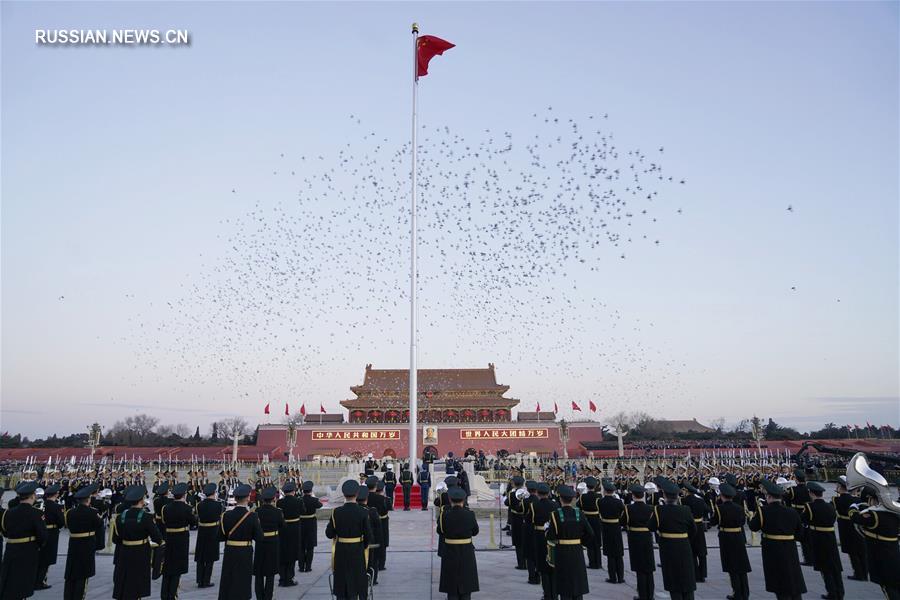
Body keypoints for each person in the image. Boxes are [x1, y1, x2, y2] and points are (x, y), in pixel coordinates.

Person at [748, 479, 806, 600]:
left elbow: (753, 526)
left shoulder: (764, 511)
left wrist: (751, 516)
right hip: (790, 548)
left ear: (768, 497)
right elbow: (800, 534)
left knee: (780, 582)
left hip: (772, 548)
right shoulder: (792, 512)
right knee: (793, 578)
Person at [112, 485, 164, 600]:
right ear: (141, 500)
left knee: (125, 581)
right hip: (141, 553)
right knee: (137, 583)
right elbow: (157, 538)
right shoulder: (146, 517)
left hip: (124, 553)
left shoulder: (120, 517)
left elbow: (115, 539)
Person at [0, 481, 48, 600]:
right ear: (32, 496)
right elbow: (42, 535)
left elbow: (5, 531)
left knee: (10, 580)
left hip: (11, 550)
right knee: (23, 581)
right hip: (28, 551)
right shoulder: (37, 513)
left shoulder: (8, 513)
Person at [849, 488, 900, 600]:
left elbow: (855, 518)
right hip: (895, 552)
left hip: (881, 556)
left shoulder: (874, 516)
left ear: (872, 499)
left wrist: (853, 507)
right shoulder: (894, 513)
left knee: (888, 587)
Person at [650, 478, 697, 600]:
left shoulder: (659, 510)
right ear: (677, 496)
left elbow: (651, 526)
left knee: (673, 579)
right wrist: (685, 539)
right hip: (684, 545)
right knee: (687, 579)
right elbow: (693, 530)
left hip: (668, 547)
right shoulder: (686, 510)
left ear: (664, 495)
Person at [325, 480, 372, 600]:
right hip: (357, 550)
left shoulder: (336, 512)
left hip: (341, 551)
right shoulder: (363, 512)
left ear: (344, 494)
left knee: (342, 580)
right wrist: (364, 545)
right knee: (358, 580)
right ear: (357, 494)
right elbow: (368, 535)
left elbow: (329, 533)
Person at [218, 484, 264, 600]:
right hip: (245, 551)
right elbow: (259, 537)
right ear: (248, 498)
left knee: (228, 577)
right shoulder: (252, 516)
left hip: (229, 551)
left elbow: (220, 537)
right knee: (243, 579)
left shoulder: (225, 515)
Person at [547, 485, 593, 600]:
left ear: (560, 499)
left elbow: (551, 536)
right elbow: (590, 533)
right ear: (572, 499)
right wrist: (581, 542)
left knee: (564, 583)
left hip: (562, 551)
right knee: (577, 581)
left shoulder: (555, 514)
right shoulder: (579, 514)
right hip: (577, 550)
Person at [802, 481, 843, 600]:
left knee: (825, 568)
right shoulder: (830, 506)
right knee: (835, 566)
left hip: (818, 538)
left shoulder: (810, 507)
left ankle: (832, 592)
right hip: (830, 537)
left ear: (811, 493)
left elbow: (803, 519)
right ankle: (840, 591)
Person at [710, 482, 751, 600]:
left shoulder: (719, 508)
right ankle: (745, 592)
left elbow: (713, 522)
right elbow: (743, 522)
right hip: (738, 536)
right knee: (741, 566)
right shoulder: (739, 508)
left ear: (722, 496)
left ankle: (737, 593)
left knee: (732, 567)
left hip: (726, 537)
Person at [62, 484, 104, 600]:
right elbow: (99, 525)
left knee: (71, 573)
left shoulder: (70, 512)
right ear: (88, 500)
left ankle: (68, 596)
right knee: (83, 574)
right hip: (86, 544)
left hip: (73, 544)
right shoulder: (92, 513)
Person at [437, 486, 479, 600]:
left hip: (450, 549)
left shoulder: (444, 514)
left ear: (450, 500)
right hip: (466, 550)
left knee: (451, 582)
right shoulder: (470, 514)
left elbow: (440, 531)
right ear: (464, 500)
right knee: (466, 578)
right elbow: (475, 531)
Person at [160, 482, 197, 600]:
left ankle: (164, 595)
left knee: (167, 566)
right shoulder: (187, 508)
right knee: (177, 568)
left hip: (169, 537)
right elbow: (194, 522)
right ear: (184, 495)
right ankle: (172, 595)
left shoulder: (166, 508)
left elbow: (164, 521)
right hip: (181, 538)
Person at [621, 484, 655, 600]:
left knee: (640, 568)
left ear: (633, 496)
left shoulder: (628, 508)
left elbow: (623, 522)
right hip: (647, 537)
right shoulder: (651, 508)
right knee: (649, 567)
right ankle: (650, 594)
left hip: (635, 538)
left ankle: (642, 595)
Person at [831, 477, 866, 581]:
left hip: (845, 527)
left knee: (852, 551)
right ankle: (864, 572)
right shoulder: (857, 499)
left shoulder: (836, 499)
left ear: (840, 487)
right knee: (860, 550)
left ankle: (858, 573)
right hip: (856, 526)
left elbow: (830, 510)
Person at [254, 487, 285, 600]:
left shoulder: (257, 511)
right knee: (270, 572)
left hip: (260, 542)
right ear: (273, 499)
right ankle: (268, 596)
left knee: (259, 572)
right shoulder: (277, 512)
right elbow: (282, 526)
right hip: (273, 542)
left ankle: (259, 596)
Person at [530, 482, 557, 600]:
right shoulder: (555, 505)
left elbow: (529, 520)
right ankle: (554, 593)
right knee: (552, 564)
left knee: (543, 565)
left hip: (539, 535)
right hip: (551, 536)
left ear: (537, 493)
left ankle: (547, 594)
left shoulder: (534, 505)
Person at [35, 484, 64, 590]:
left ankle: (36, 579)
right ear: (56, 494)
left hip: (40, 531)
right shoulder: (56, 506)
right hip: (51, 532)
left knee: (40, 556)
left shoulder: (40, 504)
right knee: (46, 559)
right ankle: (40, 581)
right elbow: (61, 522)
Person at [195, 483, 223, 589]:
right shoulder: (218, 505)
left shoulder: (199, 505)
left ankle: (199, 580)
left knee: (201, 557)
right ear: (214, 493)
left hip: (202, 531)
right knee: (210, 558)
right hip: (213, 531)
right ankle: (206, 580)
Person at [681, 482, 710, 583]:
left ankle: (695, 574)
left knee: (692, 551)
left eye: (684, 490)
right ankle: (702, 574)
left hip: (690, 526)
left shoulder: (684, 501)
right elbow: (707, 510)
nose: (683, 492)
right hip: (700, 526)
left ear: (687, 491)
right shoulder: (700, 500)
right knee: (701, 551)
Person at [598, 479, 625, 584]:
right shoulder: (618, 502)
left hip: (606, 527)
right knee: (618, 553)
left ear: (604, 491)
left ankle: (612, 577)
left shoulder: (600, 501)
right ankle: (621, 577)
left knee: (610, 554)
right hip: (616, 527)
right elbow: (623, 513)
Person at [276, 481, 302, 586]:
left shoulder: (279, 502)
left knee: (283, 553)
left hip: (283, 529)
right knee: (292, 554)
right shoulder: (298, 501)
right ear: (293, 491)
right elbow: (303, 511)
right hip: (294, 529)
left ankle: (282, 578)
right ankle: (290, 577)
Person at [785, 469, 813, 566]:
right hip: (808, 512)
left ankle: (807, 558)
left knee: (798, 536)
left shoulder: (793, 489)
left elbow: (787, 501)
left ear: (796, 479)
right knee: (807, 537)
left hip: (796, 513)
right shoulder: (809, 489)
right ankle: (810, 557)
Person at [355, 486, 381, 585]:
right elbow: (378, 530)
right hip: (370, 542)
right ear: (367, 498)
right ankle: (372, 580)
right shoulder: (372, 511)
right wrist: (378, 544)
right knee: (372, 562)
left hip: (356, 543)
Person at [576, 476, 602, 570]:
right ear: (595, 486)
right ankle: (598, 562)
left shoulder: (583, 496)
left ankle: (592, 562)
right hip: (596, 518)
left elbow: (579, 507)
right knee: (597, 542)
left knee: (590, 541)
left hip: (587, 519)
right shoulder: (598, 497)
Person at [503, 475, 526, 570]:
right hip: (524, 518)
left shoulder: (512, 494)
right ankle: (527, 562)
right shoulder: (526, 493)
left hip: (516, 519)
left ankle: (521, 563)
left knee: (518, 541)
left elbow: (506, 503)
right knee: (525, 541)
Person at [300, 480, 323, 573]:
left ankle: (301, 566)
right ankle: (308, 566)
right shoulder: (314, 500)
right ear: (311, 490)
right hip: (311, 523)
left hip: (301, 523)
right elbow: (320, 505)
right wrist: (314, 497)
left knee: (301, 546)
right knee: (310, 546)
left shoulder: (299, 500)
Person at [367, 478, 389, 570]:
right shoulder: (382, 498)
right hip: (382, 522)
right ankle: (381, 564)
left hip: (368, 522)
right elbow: (388, 508)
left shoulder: (365, 497)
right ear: (376, 486)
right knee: (382, 542)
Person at [521, 480, 539, 585]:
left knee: (529, 553)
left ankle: (532, 576)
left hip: (528, 528)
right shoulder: (538, 501)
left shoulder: (525, 501)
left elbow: (522, 512)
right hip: (538, 529)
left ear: (527, 490)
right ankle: (538, 574)